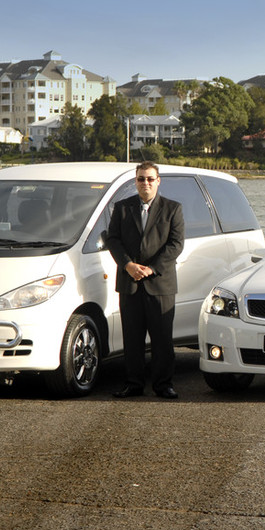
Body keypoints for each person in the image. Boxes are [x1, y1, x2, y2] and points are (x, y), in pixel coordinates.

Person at [107, 162, 185, 399]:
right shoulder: (121, 208)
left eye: (150, 179)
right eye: (141, 179)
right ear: (135, 181)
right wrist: (129, 265)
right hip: (130, 282)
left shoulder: (173, 208)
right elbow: (113, 240)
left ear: (158, 180)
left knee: (162, 338)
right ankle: (133, 384)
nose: (146, 183)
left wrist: (151, 269)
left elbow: (175, 244)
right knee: (132, 338)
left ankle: (163, 385)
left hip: (160, 283)